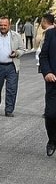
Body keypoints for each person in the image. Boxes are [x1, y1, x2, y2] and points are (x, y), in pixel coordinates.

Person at [0, 16, 24, 116]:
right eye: (1, 25)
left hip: (11, 66)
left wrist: (16, 53)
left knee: (11, 89)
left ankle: (9, 110)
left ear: (9, 25)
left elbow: (22, 49)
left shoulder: (16, 36)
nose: (3, 27)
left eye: (5, 25)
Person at [39, 14, 56, 155]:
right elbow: (43, 56)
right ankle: (52, 140)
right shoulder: (50, 34)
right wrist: (47, 72)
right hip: (53, 82)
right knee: (50, 115)